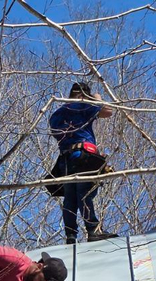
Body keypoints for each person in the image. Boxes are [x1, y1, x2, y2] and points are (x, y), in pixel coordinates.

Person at [48, 81, 116, 244]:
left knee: (70, 198)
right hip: (84, 156)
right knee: (85, 193)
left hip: (65, 160)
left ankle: (70, 234)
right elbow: (107, 111)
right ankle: (93, 230)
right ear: (83, 96)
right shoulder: (82, 107)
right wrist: (96, 98)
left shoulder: (56, 115)